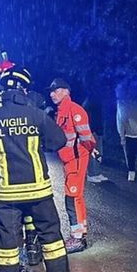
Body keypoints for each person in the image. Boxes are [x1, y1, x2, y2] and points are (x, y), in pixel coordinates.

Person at [0, 67, 80, 272]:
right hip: (38, 190)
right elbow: (58, 140)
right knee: (50, 233)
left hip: (6, 193)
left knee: (6, 237)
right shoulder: (36, 114)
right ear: (24, 90)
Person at [49, 78, 96, 253]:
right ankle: (79, 234)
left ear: (66, 91)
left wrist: (90, 150)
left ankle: (77, 238)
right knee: (75, 198)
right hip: (69, 160)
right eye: (51, 91)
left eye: (56, 91)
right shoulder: (61, 111)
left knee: (72, 198)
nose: (52, 94)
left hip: (76, 159)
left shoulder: (75, 110)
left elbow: (86, 138)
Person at [117, 95, 137, 182]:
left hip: (130, 136)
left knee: (131, 157)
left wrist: (122, 137)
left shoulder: (126, 109)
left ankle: (132, 174)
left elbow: (122, 124)